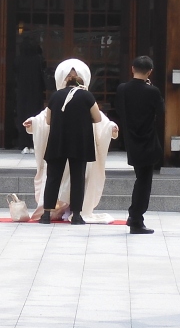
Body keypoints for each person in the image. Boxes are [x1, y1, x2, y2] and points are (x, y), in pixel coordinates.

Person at [25, 58, 119, 222]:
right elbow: (99, 119)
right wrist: (107, 126)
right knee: (78, 178)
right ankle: (76, 215)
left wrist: (33, 122)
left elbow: (46, 120)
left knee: (53, 178)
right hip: (79, 143)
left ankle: (46, 215)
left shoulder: (56, 96)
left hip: (58, 142)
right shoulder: (87, 96)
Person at [114, 55, 164, 235]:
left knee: (140, 179)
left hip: (130, 139)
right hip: (147, 140)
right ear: (150, 72)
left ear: (132, 69)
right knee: (144, 182)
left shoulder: (122, 89)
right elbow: (161, 111)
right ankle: (136, 218)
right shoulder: (153, 91)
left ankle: (135, 216)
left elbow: (118, 109)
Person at [14, 38, 47, 153]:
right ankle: (34, 144)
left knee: (22, 117)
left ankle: (23, 144)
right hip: (36, 92)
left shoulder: (18, 60)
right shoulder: (39, 59)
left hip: (22, 92)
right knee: (36, 117)